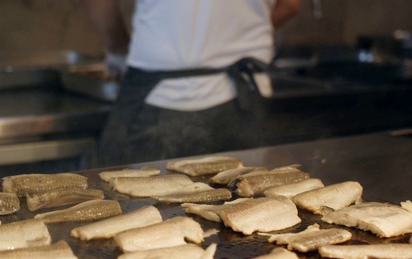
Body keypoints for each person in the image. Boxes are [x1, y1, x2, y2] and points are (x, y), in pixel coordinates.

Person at [80, 0, 301, 167]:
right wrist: (248, 34)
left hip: (161, 100)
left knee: (133, 209)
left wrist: (118, 51)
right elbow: (291, 5)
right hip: (245, 98)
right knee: (239, 209)